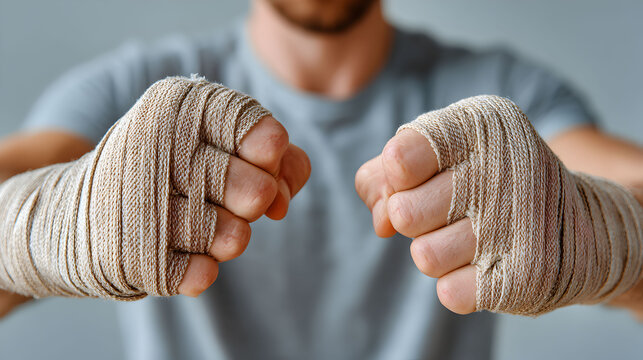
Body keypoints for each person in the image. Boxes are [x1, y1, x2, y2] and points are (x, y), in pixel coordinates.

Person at [0, 0, 642, 359]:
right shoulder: (124, 90)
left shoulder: (511, 91)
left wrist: (610, 233)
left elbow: (626, 181)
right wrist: (52, 225)